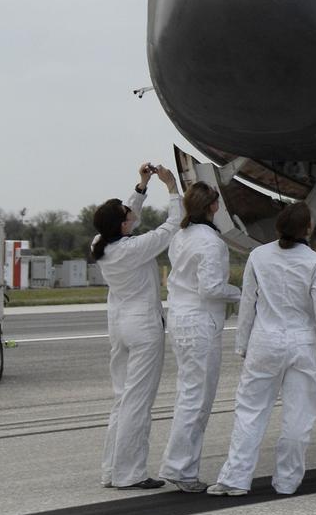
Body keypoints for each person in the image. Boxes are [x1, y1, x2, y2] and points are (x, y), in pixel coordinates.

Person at [208, 203, 316, 496]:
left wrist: (241, 344)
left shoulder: (259, 256)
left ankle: (234, 480)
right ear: (308, 229)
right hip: (301, 344)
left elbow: (248, 304)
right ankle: (286, 482)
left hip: (263, 342)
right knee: (299, 416)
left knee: (250, 412)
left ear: (278, 228)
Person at [93, 162, 181, 490]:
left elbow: (130, 217)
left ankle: (111, 470)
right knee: (138, 402)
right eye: (127, 214)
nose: (132, 215)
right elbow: (172, 225)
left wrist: (142, 186)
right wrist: (172, 187)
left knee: (122, 399)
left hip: (119, 326)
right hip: (143, 329)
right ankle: (131, 473)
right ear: (123, 225)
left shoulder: (100, 243)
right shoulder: (133, 249)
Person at [158, 182, 241, 493]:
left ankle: (179, 465)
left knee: (188, 394)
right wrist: (243, 295)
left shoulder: (181, 236)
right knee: (197, 399)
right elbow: (212, 289)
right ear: (213, 207)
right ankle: (182, 469)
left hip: (180, 319)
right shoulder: (211, 243)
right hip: (199, 323)